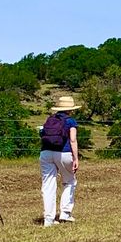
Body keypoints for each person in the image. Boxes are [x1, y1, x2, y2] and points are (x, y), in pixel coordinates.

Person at [40, 96, 81, 227]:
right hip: (64, 152)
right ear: (71, 109)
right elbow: (73, 140)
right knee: (69, 181)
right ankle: (65, 213)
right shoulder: (70, 121)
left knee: (48, 186)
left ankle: (48, 219)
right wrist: (75, 158)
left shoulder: (50, 119)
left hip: (46, 152)